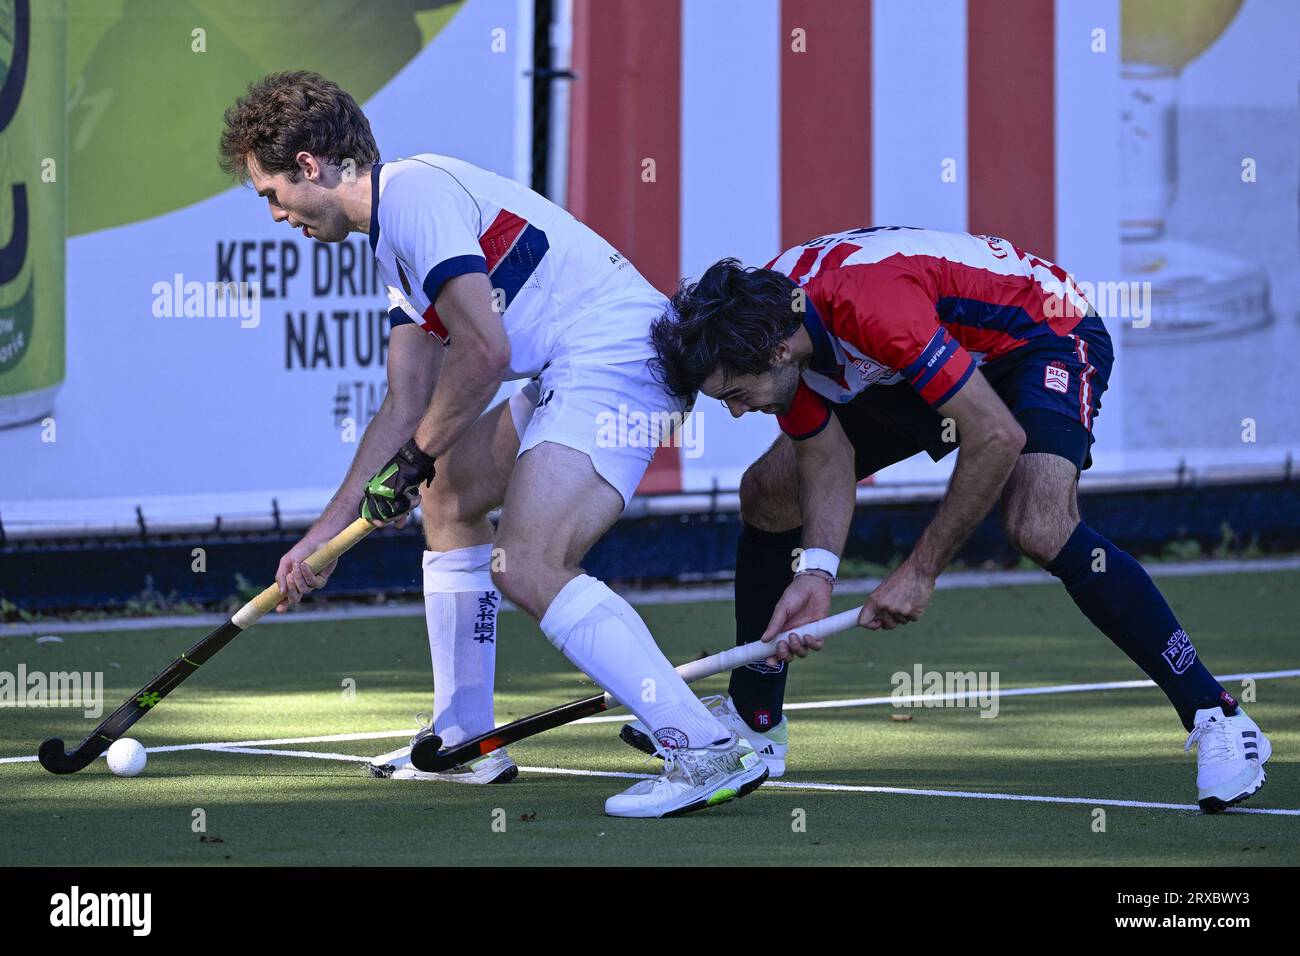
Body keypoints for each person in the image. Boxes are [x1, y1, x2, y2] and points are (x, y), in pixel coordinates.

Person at [218, 71, 767, 818]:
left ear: (308, 167)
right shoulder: (393, 245)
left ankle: (700, 746)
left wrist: (412, 461)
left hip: (619, 362)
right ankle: (465, 741)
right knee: (449, 499)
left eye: (270, 194)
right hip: (576, 367)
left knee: (530, 563)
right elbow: (405, 403)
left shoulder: (413, 196)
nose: (277, 214)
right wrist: (320, 539)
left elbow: (481, 351)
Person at [637, 225, 1271, 812]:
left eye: (736, 396)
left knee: (1038, 523)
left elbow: (993, 435)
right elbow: (825, 459)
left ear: (777, 352)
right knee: (770, 494)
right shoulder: (771, 326)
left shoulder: (869, 307)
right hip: (915, 363)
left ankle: (1218, 715)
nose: (739, 413)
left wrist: (919, 572)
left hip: (1040, 334)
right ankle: (756, 726)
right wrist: (818, 573)